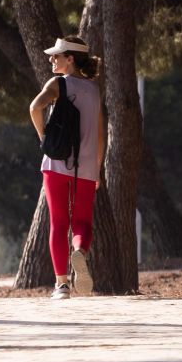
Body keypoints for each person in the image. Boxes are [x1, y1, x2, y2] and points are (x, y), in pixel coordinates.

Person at [29, 36, 106, 299]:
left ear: (70, 58)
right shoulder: (94, 90)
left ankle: (61, 285)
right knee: (82, 222)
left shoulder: (57, 84)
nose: (52, 59)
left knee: (58, 223)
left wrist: (44, 138)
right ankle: (80, 253)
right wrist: (97, 167)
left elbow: (34, 107)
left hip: (55, 165)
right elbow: (100, 134)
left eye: (57, 56)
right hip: (85, 167)